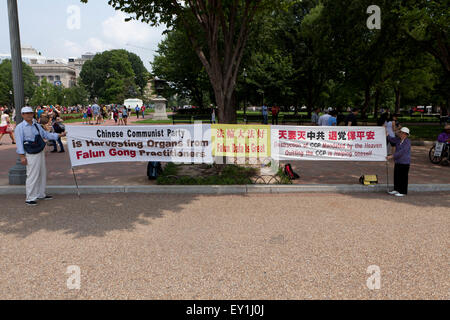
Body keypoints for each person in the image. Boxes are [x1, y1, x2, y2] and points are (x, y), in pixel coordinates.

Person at [15, 107, 66, 206]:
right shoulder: (20, 127)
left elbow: (46, 135)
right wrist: (22, 156)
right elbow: (19, 143)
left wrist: (59, 135)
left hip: (39, 151)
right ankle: (30, 197)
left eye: (30, 113)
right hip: (31, 153)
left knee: (42, 173)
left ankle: (40, 194)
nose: (29, 115)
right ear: (22, 115)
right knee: (32, 175)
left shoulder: (36, 125)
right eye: (26, 113)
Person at [387, 127, 411, 197]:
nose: (399, 134)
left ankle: (403, 191)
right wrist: (387, 134)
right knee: (397, 176)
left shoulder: (407, 142)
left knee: (403, 177)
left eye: (401, 132)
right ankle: (396, 189)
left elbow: (402, 152)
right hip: (398, 162)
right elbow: (391, 139)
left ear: (405, 134)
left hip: (405, 162)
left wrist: (392, 156)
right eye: (400, 132)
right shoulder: (398, 140)